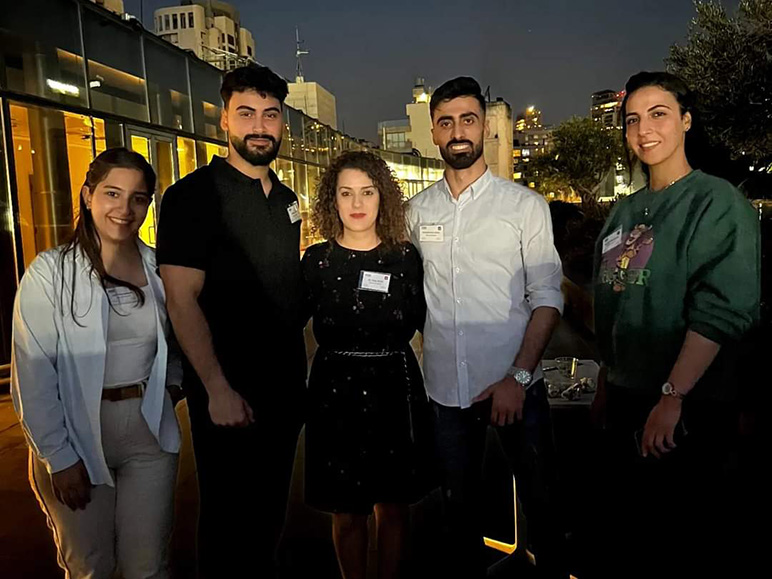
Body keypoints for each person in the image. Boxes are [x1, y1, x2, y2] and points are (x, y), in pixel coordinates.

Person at [590, 71, 760, 579]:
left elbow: (721, 309)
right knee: (632, 542)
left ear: (686, 120)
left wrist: (672, 395)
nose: (644, 129)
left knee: (681, 542)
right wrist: (607, 378)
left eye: (658, 114)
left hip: (687, 405)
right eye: (632, 120)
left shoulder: (716, 202)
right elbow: (614, 300)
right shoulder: (625, 211)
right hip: (627, 397)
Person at [407, 76, 568, 578]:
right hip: (445, 393)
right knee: (457, 515)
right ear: (433, 133)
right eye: (446, 122)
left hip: (516, 386)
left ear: (485, 129)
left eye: (468, 120)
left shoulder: (524, 207)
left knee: (543, 506)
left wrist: (517, 377)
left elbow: (547, 299)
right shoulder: (416, 212)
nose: (458, 131)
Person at [156, 64, 306, 577]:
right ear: (224, 120)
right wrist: (216, 389)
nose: (259, 126)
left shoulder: (287, 200)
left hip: (284, 391)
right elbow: (181, 300)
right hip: (226, 391)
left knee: (268, 519)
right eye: (246, 113)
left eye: (270, 114)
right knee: (226, 523)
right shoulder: (191, 197)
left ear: (282, 122)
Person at [11, 148, 182, 579]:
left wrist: (171, 386)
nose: (124, 209)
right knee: (91, 568)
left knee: (148, 567)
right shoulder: (50, 273)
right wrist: (58, 456)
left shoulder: (158, 267)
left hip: (147, 434)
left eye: (138, 198)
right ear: (88, 195)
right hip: (77, 436)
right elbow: (33, 372)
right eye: (112, 193)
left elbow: (177, 339)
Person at [302, 151, 432, 579]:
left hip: (394, 386)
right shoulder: (317, 261)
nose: (357, 203)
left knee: (393, 505)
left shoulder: (405, 258)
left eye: (367, 192)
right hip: (334, 391)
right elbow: (286, 320)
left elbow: (424, 320)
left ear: (383, 198)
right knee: (347, 509)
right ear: (332, 201)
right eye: (346, 193)